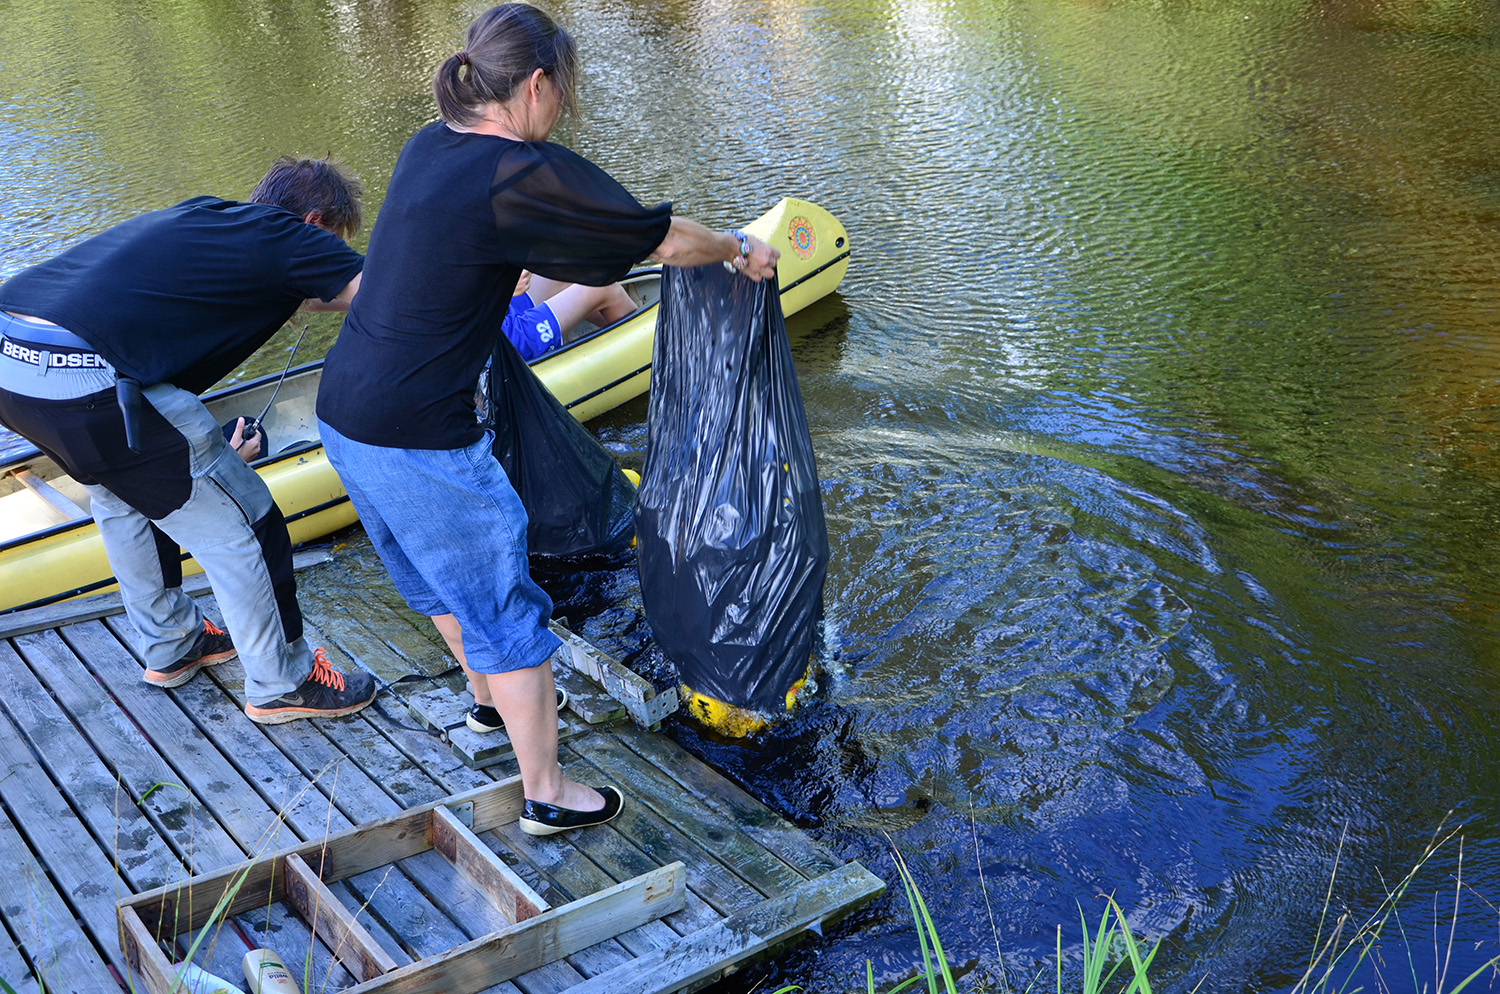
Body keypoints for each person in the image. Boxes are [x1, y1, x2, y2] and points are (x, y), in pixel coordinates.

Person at [315, 2, 778, 837]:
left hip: (344, 418)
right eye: (562, 90)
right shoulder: (516, 170)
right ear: (535, 85)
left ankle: (488, 711)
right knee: (507, 606)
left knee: (435, 581)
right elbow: (662, 239)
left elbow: (482, 248)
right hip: (421, 433)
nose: (561, 106)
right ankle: (548, 795)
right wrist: (740, 248)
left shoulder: (430, 145)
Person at [0, 156, 378, 725]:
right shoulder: (291, 235)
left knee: (123, 493)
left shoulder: (207, 215)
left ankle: (174, 644)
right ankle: (285, 681)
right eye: (335, 241)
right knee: (248, 522)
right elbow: (383, 295)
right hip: (90, 380)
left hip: (14, 364)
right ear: (317, 222)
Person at [503, 269, 637, 361]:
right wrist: (500, 288)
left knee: (564, 269)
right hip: (502, 342)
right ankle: (644, 353)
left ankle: (619, 329)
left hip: (504, 311)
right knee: (604, 287)